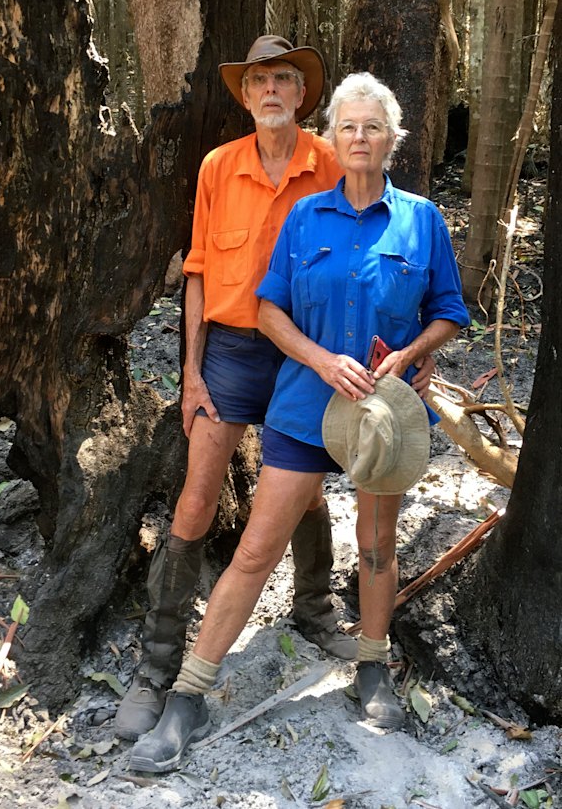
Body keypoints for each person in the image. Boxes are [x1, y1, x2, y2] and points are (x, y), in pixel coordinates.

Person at [128, 71, 469, 772]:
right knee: (255, 549)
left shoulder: (422, 220)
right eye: (349, 127)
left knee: (376, 545)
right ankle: (187, 693)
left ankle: (371, 664)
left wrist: (411, 353)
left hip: (384, 414)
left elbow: (449, 312)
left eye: (373, 127)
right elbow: (268, 310)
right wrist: (319, 360)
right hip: (304, 404)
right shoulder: (305, 217)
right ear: (335, 139)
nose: (361, 138)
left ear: (392, 139)